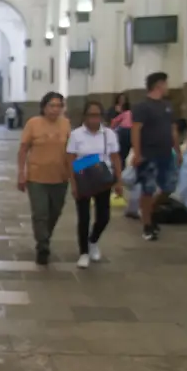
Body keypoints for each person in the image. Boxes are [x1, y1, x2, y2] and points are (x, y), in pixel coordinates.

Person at [67, 100, 123, 269]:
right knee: (84, 217)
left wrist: (118, 181)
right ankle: (83, 252)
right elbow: (70, 159)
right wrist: (73, 183)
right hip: (83, 175)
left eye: (97, 115)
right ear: (85, 116)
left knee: (104, 216)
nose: (94, 118)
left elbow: (115, 158)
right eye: (91, 115)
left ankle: (93, 240)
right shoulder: (76, 134)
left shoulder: (109, 134)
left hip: (102, 176)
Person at [17, 92, 71, 265]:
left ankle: (45, 236)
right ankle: (43, 245)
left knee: (54, 212)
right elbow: (24, 149)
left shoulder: (66, 124)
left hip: (60, 176)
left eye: (59, 106)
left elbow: (72, 152)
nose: (55, 109)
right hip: (37, 176)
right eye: (52, 105)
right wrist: (21, 172)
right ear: (44, 107)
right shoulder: (33, 124)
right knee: (40, 212)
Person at [131, 71, 182, 241]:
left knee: (169, 187)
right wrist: (137, 153)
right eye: (166, 84)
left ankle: (147, 211)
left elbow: (172, 130)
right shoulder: (143, 107)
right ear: (158, 85)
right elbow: (136, 130)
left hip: (166, 153)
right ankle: (147, 224)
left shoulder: (167, 106)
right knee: (148, 189)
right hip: (149, 154)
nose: (168, 87)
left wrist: (178, 151)